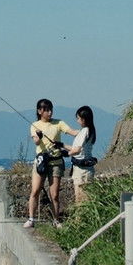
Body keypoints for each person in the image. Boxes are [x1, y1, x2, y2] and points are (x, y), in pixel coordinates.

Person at [24, 98, 77, 228]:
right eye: (46, 110)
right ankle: (31, 219)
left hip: (56, 162)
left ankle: (56, 220)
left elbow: (72, 132)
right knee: (35, 190)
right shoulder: (34, 125)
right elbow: (36, 142)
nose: (49, 112)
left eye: (50, 109)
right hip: (41, 161)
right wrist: (39, 136)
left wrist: (85, 131)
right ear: (39, 111)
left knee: (55, 194)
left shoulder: (59, 123)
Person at [66, 105, 97, 204]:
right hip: (86, 170)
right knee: (85, 199)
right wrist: (61, 145)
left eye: (78, 118)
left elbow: (77, 150)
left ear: (84, 119)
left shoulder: (85, 131)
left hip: (82, 171)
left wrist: (66, 154)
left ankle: (79, 219)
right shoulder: (89, 130)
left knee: (81, 199)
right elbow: (77, 148)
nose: (77, 120)